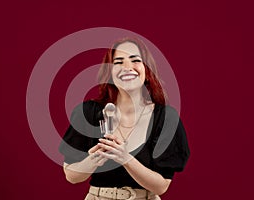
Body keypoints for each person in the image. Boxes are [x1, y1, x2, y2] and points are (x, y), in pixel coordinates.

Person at [59, 37, 190, 200]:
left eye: (135, 60)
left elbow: (161, 186)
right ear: (110, 73)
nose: (127, 67)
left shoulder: (166, 119)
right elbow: (71, 176)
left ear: (147, 71)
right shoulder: (88, 112)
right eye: (119, 62)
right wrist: (95, 160)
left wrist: (124, 157)